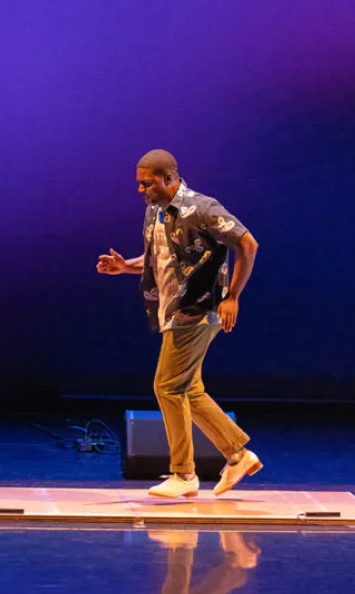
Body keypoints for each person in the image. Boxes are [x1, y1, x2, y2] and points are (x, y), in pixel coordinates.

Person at [97, 149, 262, 497]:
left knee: (167, 386)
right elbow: (160, 257)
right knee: (189, 388)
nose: (141, 190)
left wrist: (232, 296)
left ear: (170, 178)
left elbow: (248, 244)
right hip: (172, 310)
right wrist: (125, 266)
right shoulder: (154, 212)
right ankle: (238, 454)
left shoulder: (202, 208)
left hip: (198, 309)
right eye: (139, 184)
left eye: (148, 184)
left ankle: (184, 474)